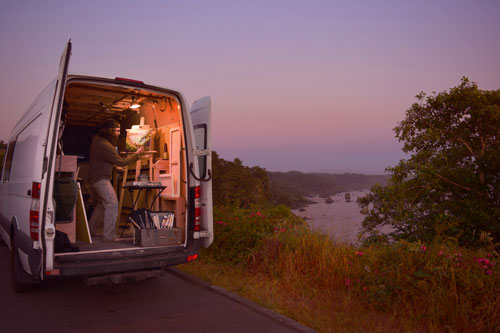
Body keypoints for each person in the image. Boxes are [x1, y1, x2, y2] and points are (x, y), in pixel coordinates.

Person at [89, 119, 144, 241]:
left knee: (102, 205)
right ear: (110, 131)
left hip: (96, 179)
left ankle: (91, 230)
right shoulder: (105, 145)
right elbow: (121, 160)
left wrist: (114, 167)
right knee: (112, 203)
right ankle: (109, 235)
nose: (119, 133)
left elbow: (101, 161)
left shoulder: (98, 142)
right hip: (101, 180)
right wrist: (137, 154)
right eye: (117, 131)